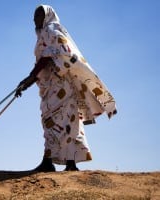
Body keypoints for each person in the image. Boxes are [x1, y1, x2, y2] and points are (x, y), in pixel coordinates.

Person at [15, 5, 117, 172]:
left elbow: (48, 58)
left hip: (62, 85)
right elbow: (43, 62)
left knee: (66, 121)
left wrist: (28, 79)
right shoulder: (44, 34)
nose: (35, 18)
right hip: (52, 86)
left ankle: (60, 162)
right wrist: (28, 81)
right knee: (56, 122)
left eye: (39, 14)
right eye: (34, 15)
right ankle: (59, 162)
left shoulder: (51, 30)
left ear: (48, 15)